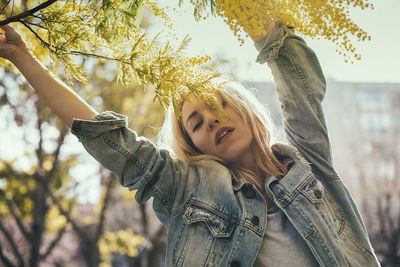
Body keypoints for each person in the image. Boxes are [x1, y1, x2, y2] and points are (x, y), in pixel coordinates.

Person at [0, 15, 380, 267]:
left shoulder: (307, 163)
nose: (212, 119)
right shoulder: (189, 191)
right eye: (196, 123)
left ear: (245, 109)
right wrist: (20, 55)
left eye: (219, 105)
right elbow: (109, 139)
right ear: (195, 146)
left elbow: (299, 88)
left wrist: (254, 18)